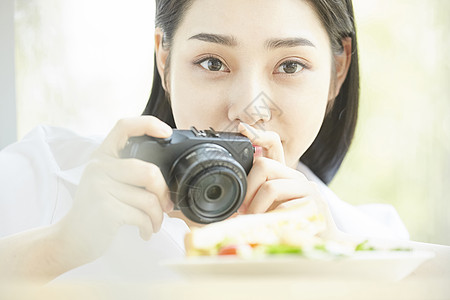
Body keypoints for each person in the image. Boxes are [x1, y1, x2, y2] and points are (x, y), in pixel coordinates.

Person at [0, 0, 409, 284]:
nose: (249, 109)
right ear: (165, 59)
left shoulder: (368, 242)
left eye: (289, 65)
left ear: (338, 71)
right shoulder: (43, 177)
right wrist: (57, 247)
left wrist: (338, 261)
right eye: (213, 63)